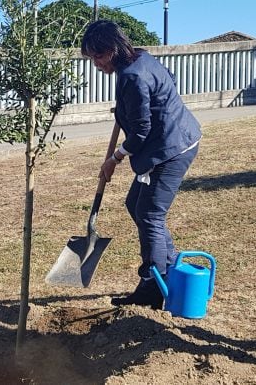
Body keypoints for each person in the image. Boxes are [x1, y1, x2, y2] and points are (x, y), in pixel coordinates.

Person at [81, 20, 202, 310]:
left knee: (149, 214)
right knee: (135, 203)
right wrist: (125, 109)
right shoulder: (142, 58)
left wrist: (115, 158)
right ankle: (170, 265)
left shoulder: (132, 77)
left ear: (111, 50)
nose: (96, 64)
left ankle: (153, 283)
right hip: (169, 141)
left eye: (97, 57)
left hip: (170, 149)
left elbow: (141, 132)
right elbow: (166, 81)